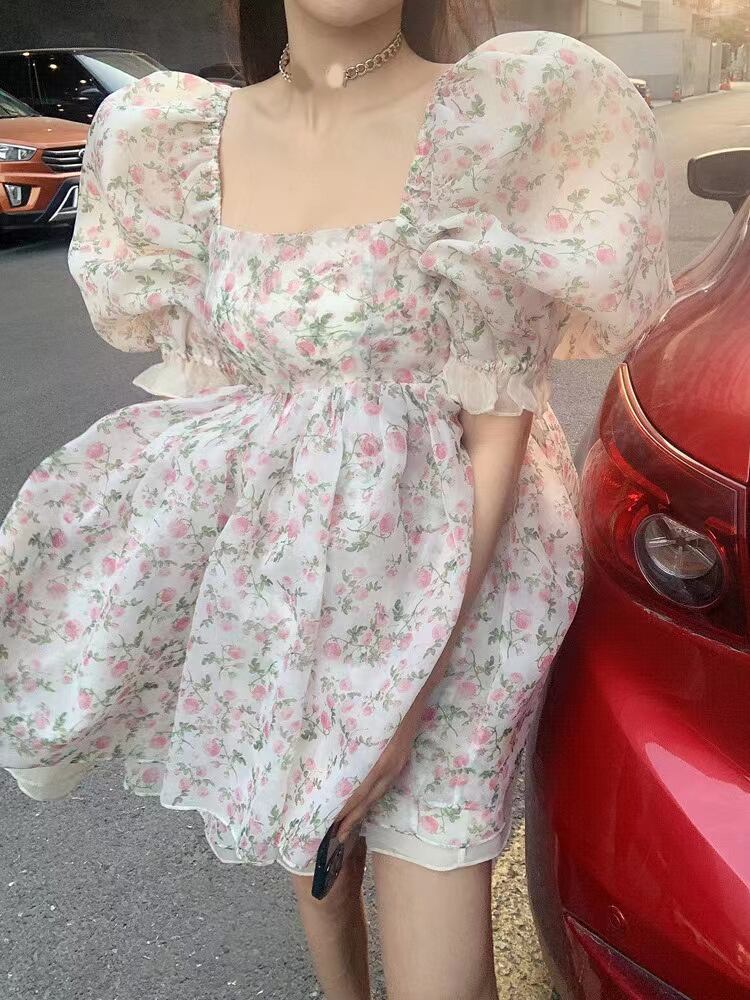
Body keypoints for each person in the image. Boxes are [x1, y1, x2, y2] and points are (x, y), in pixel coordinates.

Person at [0, 1, 674, 997]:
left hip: (459, 594)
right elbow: (224, 401)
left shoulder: (488, 117)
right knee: (320, 870)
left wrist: (403, 699)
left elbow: (498, 419)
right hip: (297, 581)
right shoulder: (177, 140)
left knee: (439, 972)